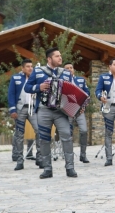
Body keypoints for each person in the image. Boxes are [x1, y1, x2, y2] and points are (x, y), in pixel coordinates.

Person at [25, 48, 77, 179]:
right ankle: (47, 169)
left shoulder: (65, 73)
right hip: (44, 110)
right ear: (49, 59)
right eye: (57, 56)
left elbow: (73, 92)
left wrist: (77, 105)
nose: (60, 58)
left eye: (60, 55)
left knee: (67, 136)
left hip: (61, 111)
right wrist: (38, 87)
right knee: (44, 139)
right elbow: (27, 88)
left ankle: (70, 168)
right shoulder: (38, 71)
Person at [8, 59, 41, 170]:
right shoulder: (16, 78)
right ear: (22, 68)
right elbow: (11, 94)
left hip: (33, 109)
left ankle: (40, 158)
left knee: (39, 131)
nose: (30, 68)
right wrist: (12, 110)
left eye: (31, 66)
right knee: (19, 135)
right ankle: (19, 160)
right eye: (27, 66)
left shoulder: (36, 79)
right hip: (20, 109)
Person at [64, 62, 91, 163]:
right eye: (67, 68)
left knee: (84, 131)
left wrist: (84, 105)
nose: (70, 69)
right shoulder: (62, 81)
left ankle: (83, 155)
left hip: (80, 110)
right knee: (68, 133)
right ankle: (69, 155)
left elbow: (87, 93)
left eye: (71, 67)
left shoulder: (80, 80)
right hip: (67, 110)